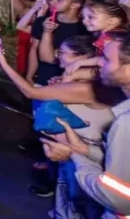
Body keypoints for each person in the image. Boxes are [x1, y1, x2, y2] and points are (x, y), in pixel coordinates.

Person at [0, 35, 113, 219]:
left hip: (86, 155)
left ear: (81, 58)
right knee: (68, 202)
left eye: (63, 53)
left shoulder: (88, 87)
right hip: (73, 150)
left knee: (80, 207)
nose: (58, 57)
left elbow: (30, 92)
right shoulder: (78, 82)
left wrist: (3, 62)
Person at [41, 32, 130, 218]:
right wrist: (83, 149)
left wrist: (73, 155)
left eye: (106, 59)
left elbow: (118, 198)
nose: (98, 63)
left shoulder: (126, 122)